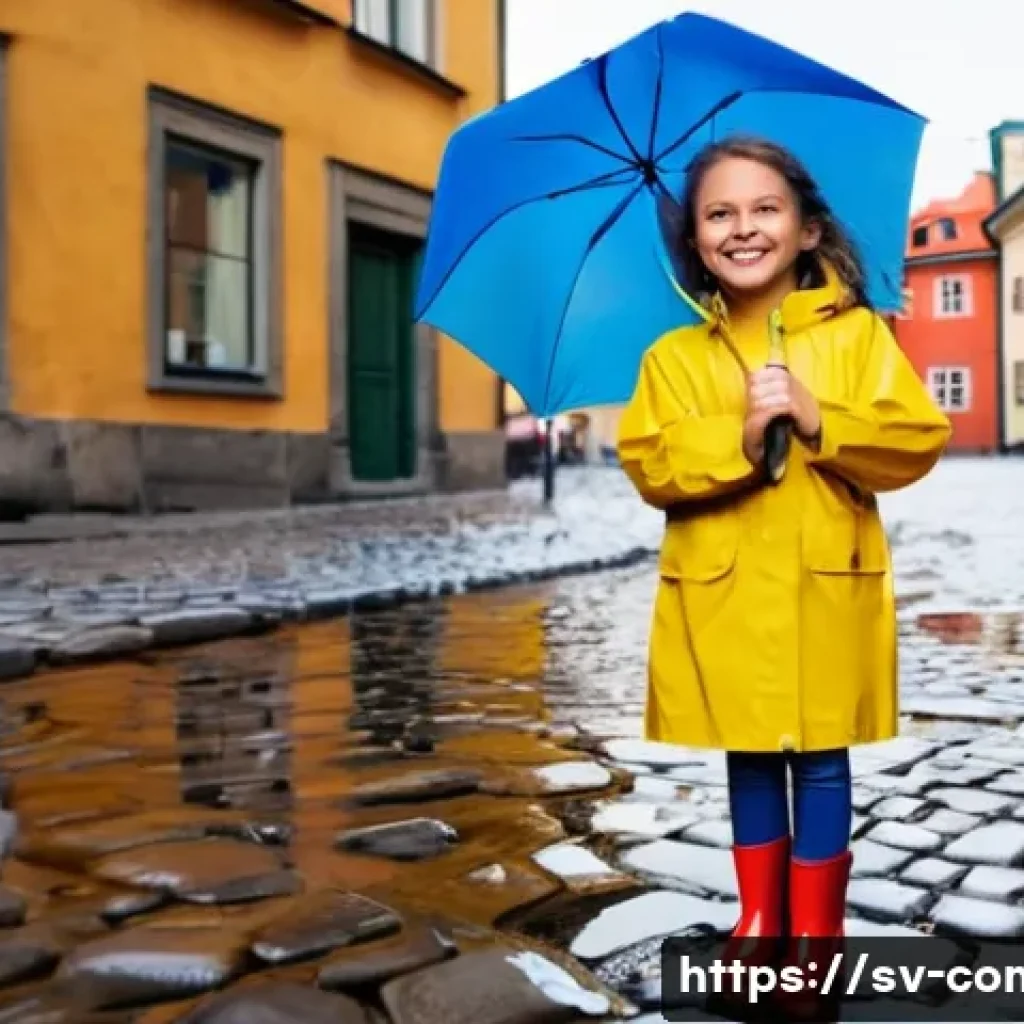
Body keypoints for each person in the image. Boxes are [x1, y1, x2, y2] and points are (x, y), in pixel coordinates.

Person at [616, 136, 951, 991]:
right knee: (750, 754)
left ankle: (819, 931)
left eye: (765, 209)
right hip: (723, 592)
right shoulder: (674, 359)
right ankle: (761, 914)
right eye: (718, 214)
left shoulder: (858, 338)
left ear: (806, 229)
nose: (742, 229)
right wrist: (728, 438)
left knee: (821, 756)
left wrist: (816, 416)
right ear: (693, 242)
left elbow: (913, 441)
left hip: (823, 585)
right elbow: (651, 465)